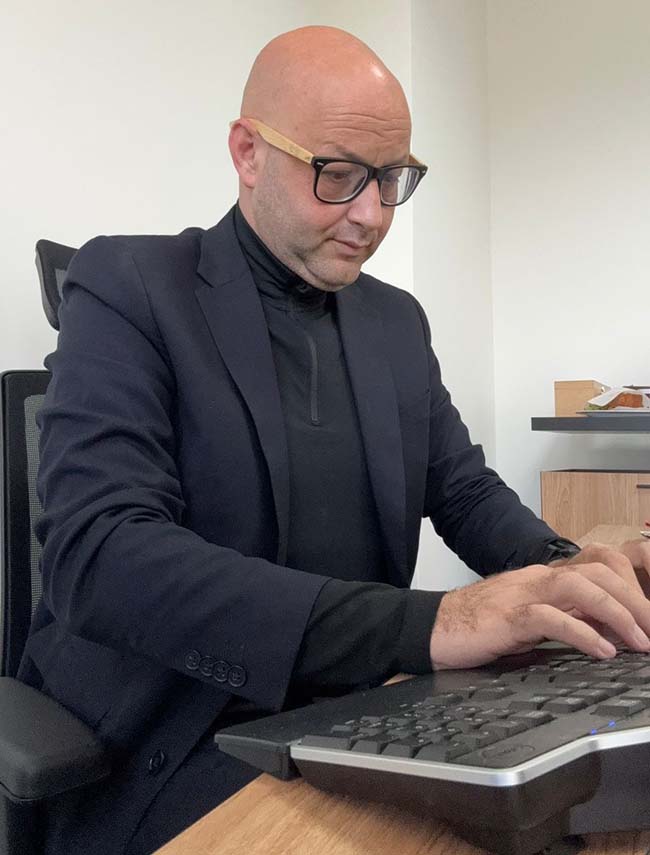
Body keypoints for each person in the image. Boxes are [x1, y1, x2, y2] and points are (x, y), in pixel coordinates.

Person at [18, 24, 650, 855]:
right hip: (171, 739)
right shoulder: (129, 285)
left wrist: (566, 571)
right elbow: (99, 555)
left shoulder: (394, 321)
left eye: (391, 179)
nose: (371, 214)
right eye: (340, 175)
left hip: (362, 710)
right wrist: (436, 620)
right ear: (248, 153)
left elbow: (462, 489)